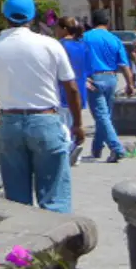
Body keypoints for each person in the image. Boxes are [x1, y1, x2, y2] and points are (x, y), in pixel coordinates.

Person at [0, 0, 84, 214]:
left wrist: (0, 118)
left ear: (4, 16)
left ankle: (24, 245)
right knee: (54, 195)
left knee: (17, 201)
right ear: (32, 16)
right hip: (45, 118)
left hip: (10, 121)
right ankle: (57, 242)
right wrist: (78, 123)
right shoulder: (50, 45)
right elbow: (71, 87)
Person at [81, 9, 135, 163]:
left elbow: (79, 59)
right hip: (111, 77)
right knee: (105, 116)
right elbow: (124, 65)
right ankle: (97, 148)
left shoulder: (86, 37)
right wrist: (130, 84)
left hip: (94, 78)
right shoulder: (115, 39)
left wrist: (81, 78)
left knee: (102, 116)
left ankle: (116, 148)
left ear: (92, 22)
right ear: (108, 23)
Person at [54, 17, 89, 166]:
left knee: (63, 123)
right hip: (80, 86)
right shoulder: (82, 46)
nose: (55, 31)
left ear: (64, 29)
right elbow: (88, 67)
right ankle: (76, 148)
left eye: (57, 28)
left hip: (63, 88)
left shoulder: (59, 46)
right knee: (76, 119)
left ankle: (69, 149)